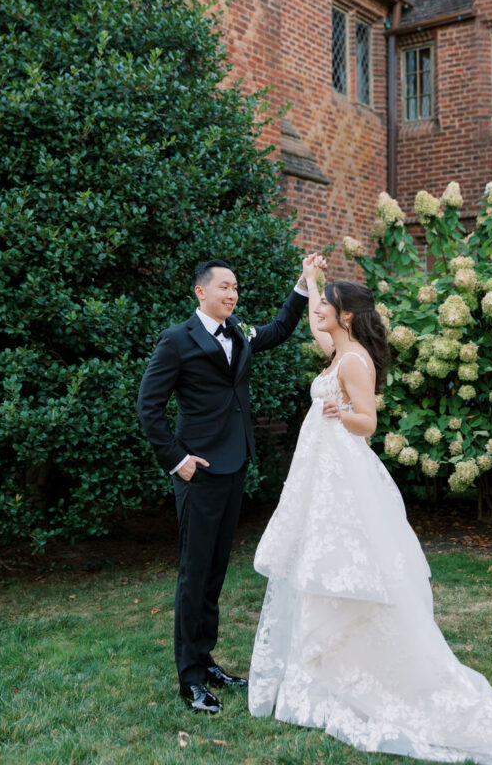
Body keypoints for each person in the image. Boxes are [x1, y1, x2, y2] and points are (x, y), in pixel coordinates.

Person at [248, 264, 492, 764]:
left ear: (347, 315)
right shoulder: (336, 349)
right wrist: (309, 282)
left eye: (329, 303)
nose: (321, 311)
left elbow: (368, 422)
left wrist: (339, 414)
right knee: (317, 560)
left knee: (348, 561)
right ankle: (325, 664)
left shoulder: (354, 362)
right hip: (324, 473)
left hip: (343, 474)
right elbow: (314, 325)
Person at [138, 255, 322, 715]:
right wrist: (176, 459)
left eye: (235, 288)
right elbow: (148, 406)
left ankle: (207, 660)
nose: (232, 294)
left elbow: (278, 330)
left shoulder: (238, 331)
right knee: (193, 574)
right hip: (198, 473)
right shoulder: (177, 340)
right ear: (201, 292)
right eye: (224, 287)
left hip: (235, 465)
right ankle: (190, 679)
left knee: (215, 572)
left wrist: (303, 284)